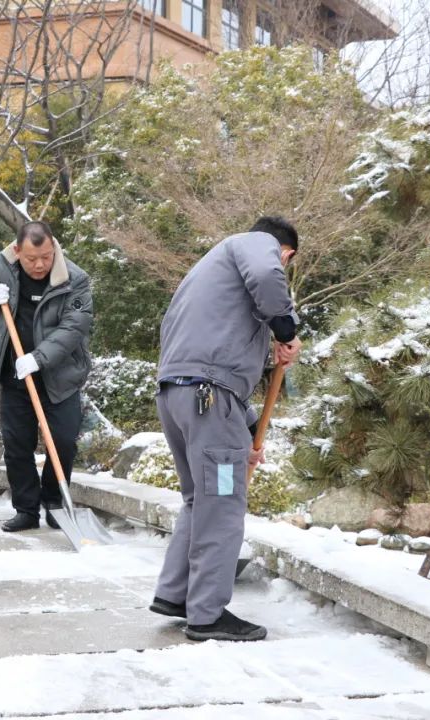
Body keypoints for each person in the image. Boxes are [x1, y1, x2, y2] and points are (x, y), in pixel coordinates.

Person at [150, 215, 302, 642]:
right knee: (221, 502)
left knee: (201, 498)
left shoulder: (207, 275)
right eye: (285, 261)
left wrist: (246, 429)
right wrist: (285, 327)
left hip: (181, 397)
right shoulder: (253, 244)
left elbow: (213, 362)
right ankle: (207, 614)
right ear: (285, 252)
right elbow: (269, 276)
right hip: (209, 399)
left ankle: (176, 595)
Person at [0, 221, 93, 532]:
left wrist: (39, 358)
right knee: (17, 444)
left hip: (60, 376)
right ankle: (26, 509)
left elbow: (74, 327)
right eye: (32, 258)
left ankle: (53, 501)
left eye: (46, 257)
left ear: (54, 249)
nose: (39, 265)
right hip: (15, 375)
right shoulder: (3, 265)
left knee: (62, 440)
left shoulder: (73, 279)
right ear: (18, 251)